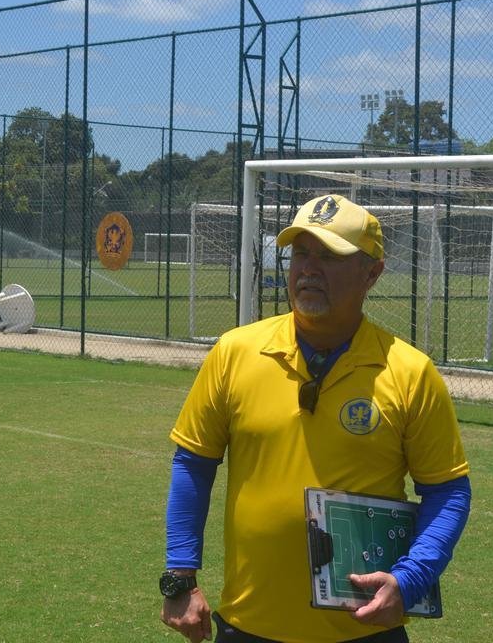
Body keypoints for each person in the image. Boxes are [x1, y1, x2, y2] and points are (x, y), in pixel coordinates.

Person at [159, 194, 472, 643]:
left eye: (329, 255)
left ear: (373, 272)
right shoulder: (234, 352)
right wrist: (180, 577)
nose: (308, 268)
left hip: (364, 631)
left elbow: (448, 490)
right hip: (248, 626)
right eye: (301, 252)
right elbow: (193, 463)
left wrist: (411, 580)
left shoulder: (410, 372)